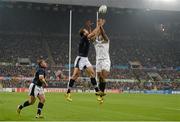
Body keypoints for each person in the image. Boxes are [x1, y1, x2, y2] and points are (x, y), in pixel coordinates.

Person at [65, 20, 103, 102]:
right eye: (85, 31)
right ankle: (68, 93)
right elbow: (92, 34)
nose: (87, 31)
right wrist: (99, 25)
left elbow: (93, 34)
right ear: (83, 33)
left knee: (92, 73)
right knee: (75, 76)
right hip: (80, 59)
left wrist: (90, 27)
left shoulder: (86, 38)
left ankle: (97, 92)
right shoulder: (83, 38)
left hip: (85, 59)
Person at [94, 19, 111, 103]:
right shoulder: (96, 42)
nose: (100, 34)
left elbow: (103, 34)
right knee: (100, 78)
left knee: (103, 76)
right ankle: (101, 93)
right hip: (98, 61)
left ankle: (102, 94)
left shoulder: (107, 41)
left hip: (105, 60)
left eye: (101, 34)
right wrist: (98, 26)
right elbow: (93, 35)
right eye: (99, 34)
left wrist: (101, 25)